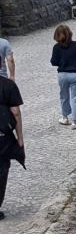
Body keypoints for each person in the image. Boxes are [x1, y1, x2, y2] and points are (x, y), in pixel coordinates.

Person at [51, 24, 76, 129]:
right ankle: (75, 122)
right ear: (70, 34)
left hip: (62, 75)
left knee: (64, 96)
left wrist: (62, 61)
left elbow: (53, 62)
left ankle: (65, 118)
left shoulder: (56, 47)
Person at [0, 71, 24, 219]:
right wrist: (20, 137)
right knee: (2, 170)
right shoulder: (8, 85)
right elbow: (16, 112)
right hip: (2, 138)